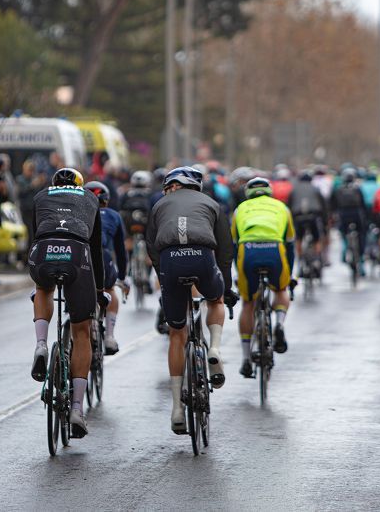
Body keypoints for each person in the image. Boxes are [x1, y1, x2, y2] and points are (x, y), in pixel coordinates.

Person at [146, 166, 236, 434]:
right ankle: (215, 350)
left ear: (171, 186)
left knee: (177, 333)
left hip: (170, 261)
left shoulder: (159, 205)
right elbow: (226, 251)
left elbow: (152, 248)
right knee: (215, 300)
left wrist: (164, 278)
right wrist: (226, 289)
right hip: (203, 256)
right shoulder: (212, 204)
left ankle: (176, 408)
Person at [27, 168, 106, 438]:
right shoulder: (90, 198)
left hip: (44, 249)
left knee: (43, 288)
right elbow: (95, 249)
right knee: (82, 331)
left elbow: (33, 236)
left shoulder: (40, 196)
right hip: (77, 252)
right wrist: (100, 289)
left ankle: (40, 345)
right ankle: (76, 408)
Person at [231, 177, 295, 378]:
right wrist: (289, 275)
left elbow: (234, 245)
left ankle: (245, 359)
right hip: (274, 250)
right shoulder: (282, 208)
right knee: (281, 290)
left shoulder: (240, 209)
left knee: (248, 304)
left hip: (248, 251)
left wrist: (237, 274)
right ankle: (279, 324)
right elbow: (290, 243)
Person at [85, 181, 129, 355]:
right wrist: (123, 277)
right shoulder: (113, 215)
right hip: (102, 257)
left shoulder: (78, 212)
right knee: (110, 289)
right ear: (106, 201)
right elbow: (120, 250)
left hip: (77, 255)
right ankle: (109, 336)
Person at [330, 168, 369, 271]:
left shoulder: (339, 189)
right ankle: (360, 259)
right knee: (362, 233)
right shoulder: (357, 189)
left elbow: (333, 204)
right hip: (357, 214)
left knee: (343, 232)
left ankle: (345, 249)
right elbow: (363, 204)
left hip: (343, 214)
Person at [287, 169, 328, 260]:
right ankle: (318, 257)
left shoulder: (294, 189)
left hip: (298, 216)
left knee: (298, 238)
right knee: (317, 238)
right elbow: (323, 205)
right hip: (313, 215)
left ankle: (300, 257)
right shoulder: (315, 188)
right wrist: (325, 220)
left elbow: (289, 206)